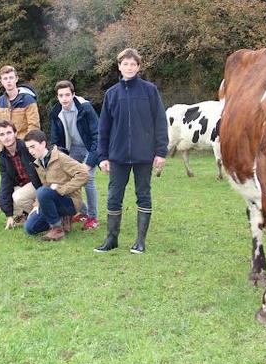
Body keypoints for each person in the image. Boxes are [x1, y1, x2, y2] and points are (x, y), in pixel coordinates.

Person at [94, 48, 168, 254]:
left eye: (133, 64)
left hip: (144, 155)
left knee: (143, 195)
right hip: (117, 156)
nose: (129, 67)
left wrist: (161, 152)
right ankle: (111, 239)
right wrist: (103, 156)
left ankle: (140, 241)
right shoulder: (111, 94)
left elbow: (160, 123)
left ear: (138, 66)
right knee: (113, 196)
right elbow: (103, 128)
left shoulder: (150, 91)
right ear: (119, 67)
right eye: (125, 64)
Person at [48, 80, 100, 230]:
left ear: (73, 95)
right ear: (57, 97)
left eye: (67, 95)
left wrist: (90, 161)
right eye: (61, 95)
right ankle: (82, 211)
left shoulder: (85, 108)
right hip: (73, 149)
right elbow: (56, 140)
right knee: (68, 178)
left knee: (87, 178)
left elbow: (97, 135)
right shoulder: (55, 113)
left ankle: (92, 217)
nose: (64, 98)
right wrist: (60, 160)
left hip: (90, 146)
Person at [22, 130, 89, 241]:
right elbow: (45, 185)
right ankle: (62, 219)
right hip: (53, 200)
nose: (30, 151)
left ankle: (57, 230)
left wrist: (62, 189)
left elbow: (84, 174)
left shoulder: (61, 157)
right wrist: (37, 205)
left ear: (43, 144)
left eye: (33, 147)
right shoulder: (38, 163)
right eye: (28, 148)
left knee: (42, 192)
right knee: (30, 228)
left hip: (70, 202)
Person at [0, 120, 42, 229]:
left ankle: (42, 215)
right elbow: (5, 184)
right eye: (2, 134)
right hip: (22, 187)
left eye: (9, 133)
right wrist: (9, 215)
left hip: (38, 185)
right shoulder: (3, 157)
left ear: (15, 133)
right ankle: (25, 214)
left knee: (18, 197)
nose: (6, 137)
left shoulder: (26, 147)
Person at [0, 65, 40, 151]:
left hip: (25, 147)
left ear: (16, 78)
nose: (8, 81)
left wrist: (26, 145)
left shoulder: (28, 99)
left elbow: (34, 126)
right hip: (7, 148)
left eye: (11, 77)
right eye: (5, 78)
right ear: (1, 81)